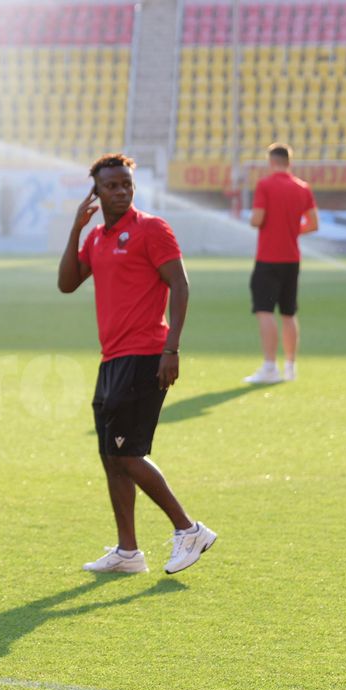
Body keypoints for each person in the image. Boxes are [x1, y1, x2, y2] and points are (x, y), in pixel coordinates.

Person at [57, 153, 218, 576]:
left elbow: (180, 285)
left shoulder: (151, 228)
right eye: (111, 185)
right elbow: (67, 283)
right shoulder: (96, 238)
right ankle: (128, 552)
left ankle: (189, 529)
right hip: (111, 359)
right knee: (112, 455)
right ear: (96, 192)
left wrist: (172, 349)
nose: (121, 191)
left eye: (126, 184)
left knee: (128, 455)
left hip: (147, 354)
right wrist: (76, 229)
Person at [244, 143, 318, 384]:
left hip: (268, 258)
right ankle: (290, 366)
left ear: (270, 161)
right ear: (289, 162)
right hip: (292, 259)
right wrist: (292, 230)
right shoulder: (302, 187)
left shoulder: (265, 185)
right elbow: (313, 224)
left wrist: (254, 220)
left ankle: (269, 366)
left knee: (265, 311)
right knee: (289, 312)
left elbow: (257, 219)